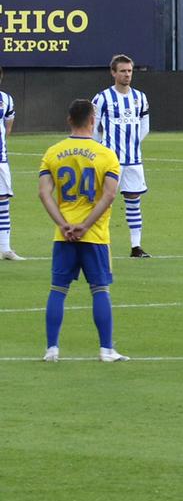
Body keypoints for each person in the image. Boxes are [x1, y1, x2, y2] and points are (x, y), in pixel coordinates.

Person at [37, 98, 127, 361]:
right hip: (94, 235)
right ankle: (106, 349)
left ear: (69, 120)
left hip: (63, 235)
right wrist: (85, 225)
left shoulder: (53, 152)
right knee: (100, 289)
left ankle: (52, 349)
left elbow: (44, 193)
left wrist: (62, 223)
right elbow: (109, 195)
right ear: (92, 120)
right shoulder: (106, 155)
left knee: (58, 289)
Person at [92, 54, 153, 258]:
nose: (127, 75)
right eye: (123, 71)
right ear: (113, 73)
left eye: (129, 71)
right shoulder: (102, 98)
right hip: (110, 161)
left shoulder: (140, 97)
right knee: (104, 202)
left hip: (134, 160)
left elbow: (144, 125)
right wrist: (101, 149)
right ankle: (100, 242)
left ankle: (136, 246)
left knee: (134, 201)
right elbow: (93, 127)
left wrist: (134, 142)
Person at [0, 66, 18, 261]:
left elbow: (8, 127)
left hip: (0, 159)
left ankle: (5, 248)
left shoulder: (6, 99)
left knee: (3, 201)